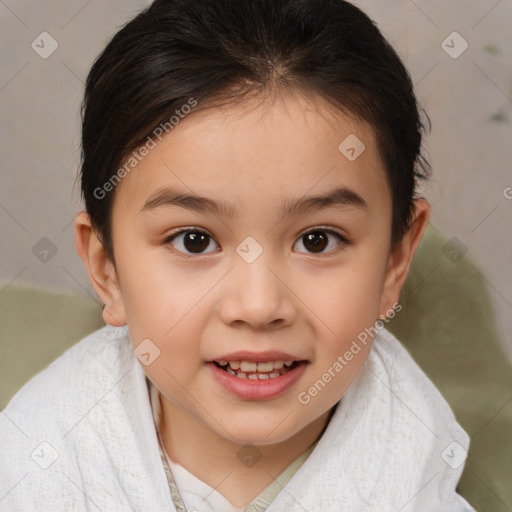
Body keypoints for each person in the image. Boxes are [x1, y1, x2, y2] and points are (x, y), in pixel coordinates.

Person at [0, 0, 477, 510]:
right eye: (194, 240)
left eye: (318, 240)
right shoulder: (33, 469)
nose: (257, 305)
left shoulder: (418, 483)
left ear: (394, 262)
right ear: (107, 270)